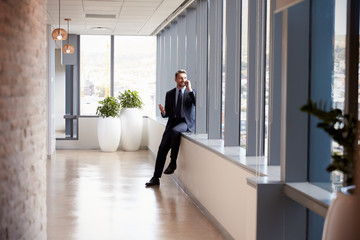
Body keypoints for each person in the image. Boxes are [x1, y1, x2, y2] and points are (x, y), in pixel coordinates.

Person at [145, 69, 196, 187]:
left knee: (175, 131)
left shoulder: (191, 92)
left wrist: (190, 90)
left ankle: (173, 162)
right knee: (162, 148)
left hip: (185, 122)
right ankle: (155, 178)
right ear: (175, 79)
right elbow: (167, 113)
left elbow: (196, 103)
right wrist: (163, 112)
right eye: (180, 78)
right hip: (172, 122)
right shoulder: (170, 94)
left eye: (185, 78)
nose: (183, 80)